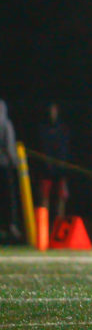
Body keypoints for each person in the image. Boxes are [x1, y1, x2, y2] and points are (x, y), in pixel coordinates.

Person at [38, 101, 72, 218]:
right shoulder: (43, 128)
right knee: (44, 196)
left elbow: (65, 146)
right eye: (50, 110)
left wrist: (63, 163)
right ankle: (44, 222)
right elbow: (42, 146)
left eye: (54, 110)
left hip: (60, 167)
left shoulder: (62, 128)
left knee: (61, 196)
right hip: (46, 168)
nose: (52, 113)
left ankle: (59, 221)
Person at [0, 100, 20, 243]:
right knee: (8, 198)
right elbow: (9, 145)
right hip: (4, 165)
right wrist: (15, 162)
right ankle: (11, 226)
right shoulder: (6, 124)